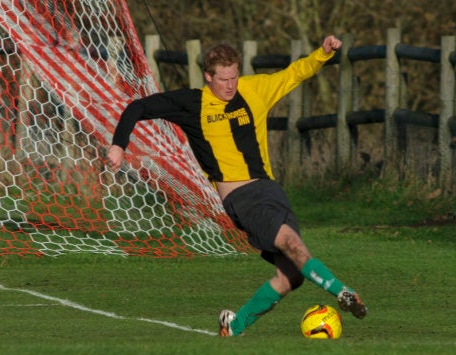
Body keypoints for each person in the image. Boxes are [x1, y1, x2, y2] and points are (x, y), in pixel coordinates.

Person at [107, 35, 367, 337]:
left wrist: (322, 54)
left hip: (271, 191)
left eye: (234, 77)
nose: (230, 85)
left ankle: (233, 325)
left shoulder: (254, 90)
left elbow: (295, 73)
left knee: (291, 275)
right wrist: (119, 145)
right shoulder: (193, 103)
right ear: (208, 76)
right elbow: (137, 107)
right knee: (294, 247)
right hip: (241, 198)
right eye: (223, 79)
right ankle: (343, 292)